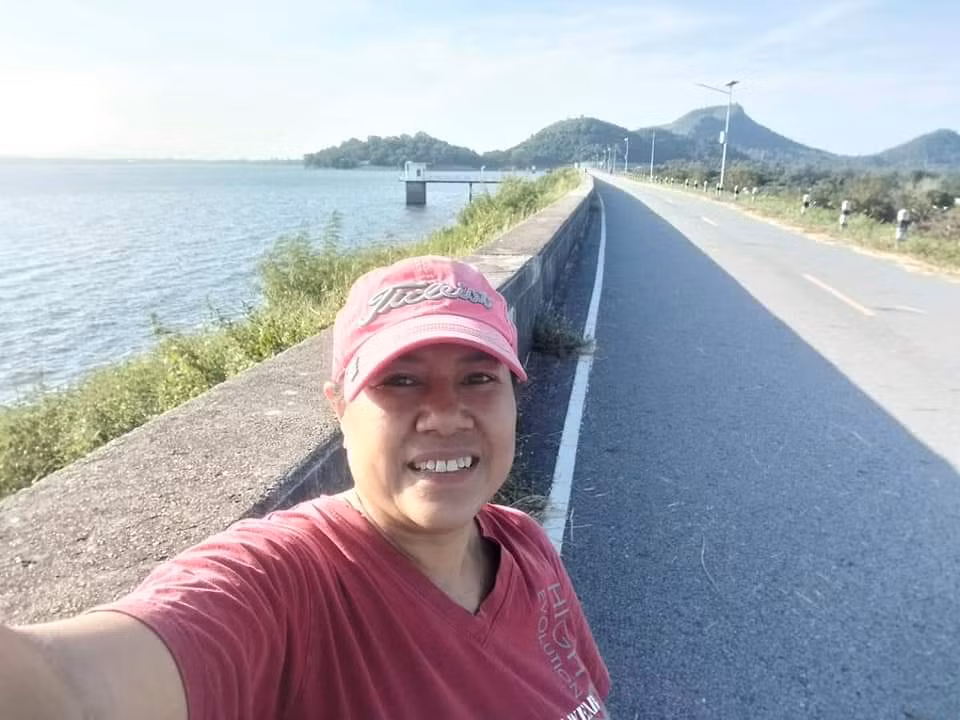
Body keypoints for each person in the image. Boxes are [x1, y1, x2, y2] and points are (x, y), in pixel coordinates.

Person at [1, 255, 611, 720]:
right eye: (401, 381)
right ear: (339, 410)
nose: (446, 415)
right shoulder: (291, 584)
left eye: (478, 378)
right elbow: (65, 687)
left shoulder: (526, 547)